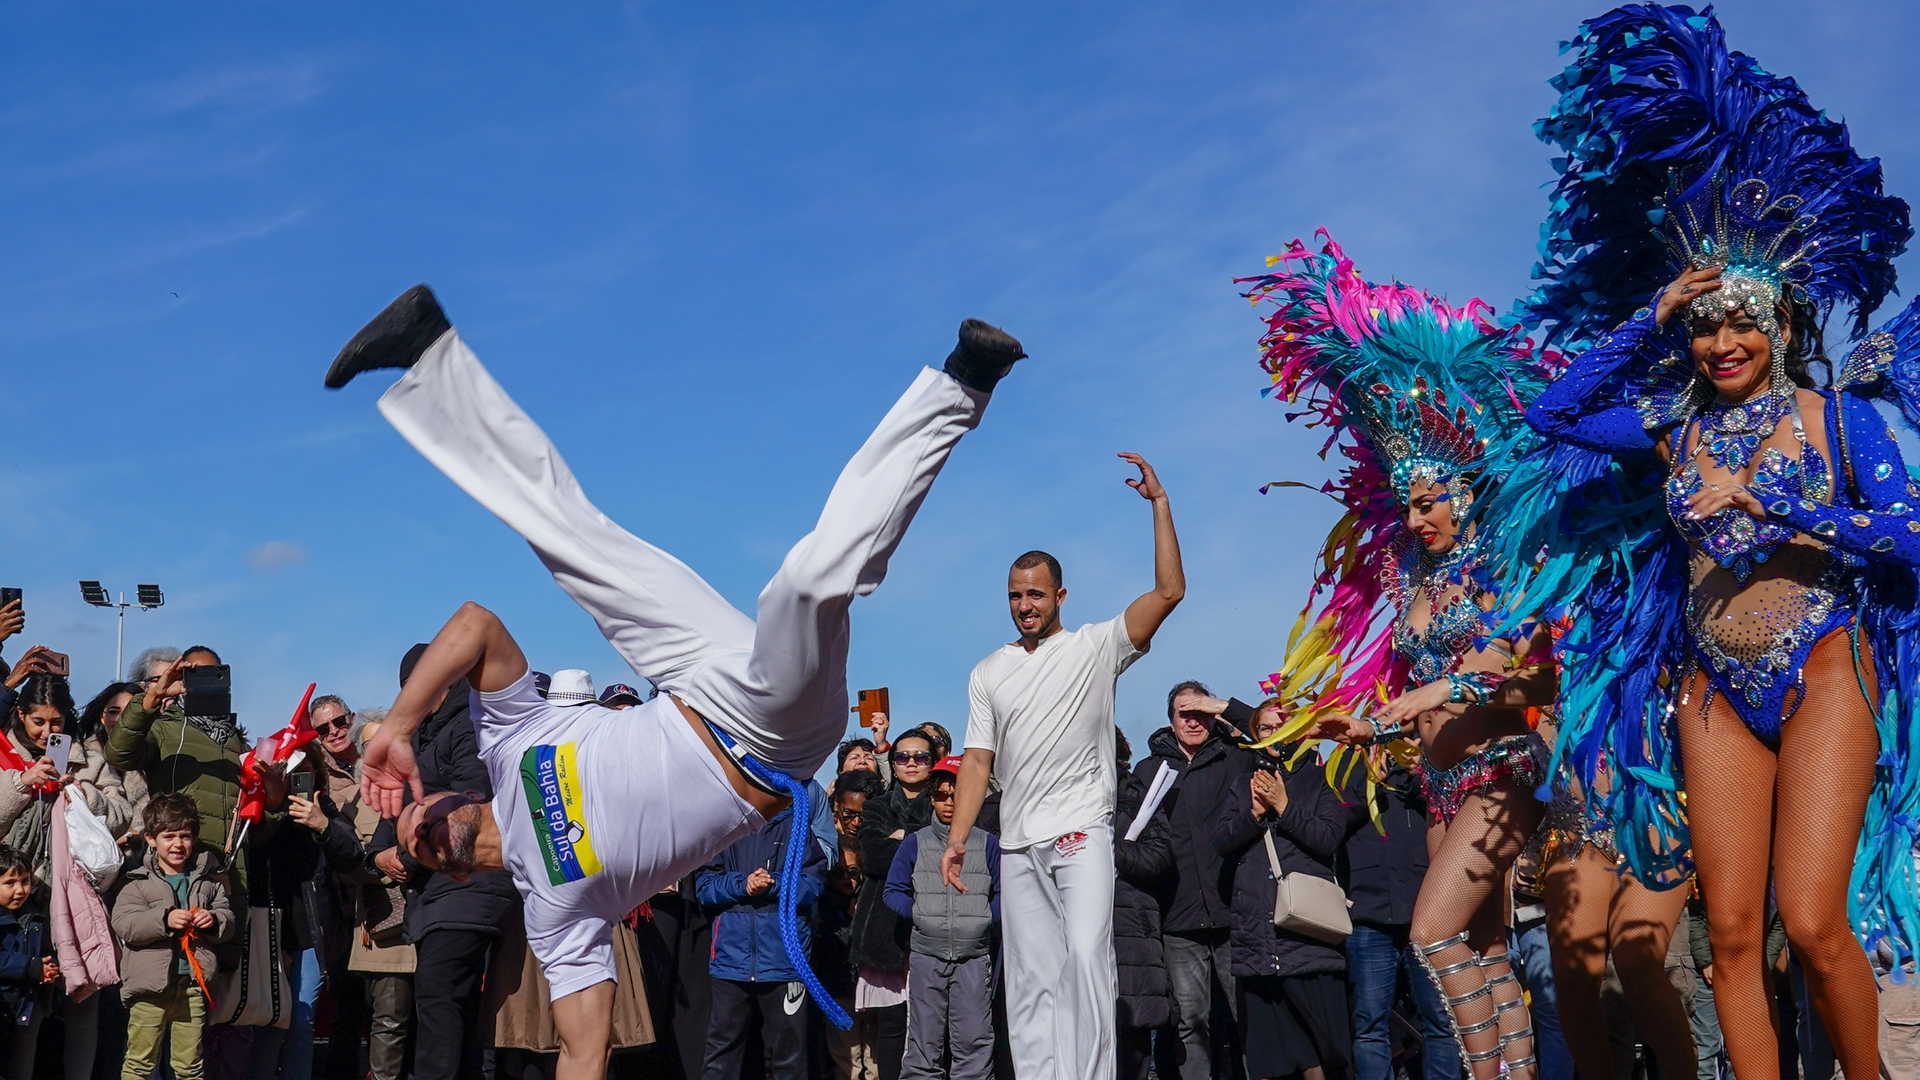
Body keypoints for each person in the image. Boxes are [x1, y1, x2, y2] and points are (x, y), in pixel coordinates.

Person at [330, 284, 1025, 1080]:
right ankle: (962, 385)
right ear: (447, 869)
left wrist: (399, 727)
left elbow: (476, 624)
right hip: (765, 735)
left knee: (568, 535)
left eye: (418, 810)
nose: (419, 827)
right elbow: (583, 1049)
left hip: (691, 674)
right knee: (806, 581)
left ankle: (427, 356)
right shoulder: (556, 914)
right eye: (418, 845)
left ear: (449, 794)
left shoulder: (505, 742)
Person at [1517, 9, 1920, 1079]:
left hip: (1826, 661)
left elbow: (1910, 535)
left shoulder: (1842, 421)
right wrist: (1646, 317)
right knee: (1734, 938)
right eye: (1705, 323)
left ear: (1783, 320)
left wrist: (1791, 512)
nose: (1722, 340)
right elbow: (1553, 412)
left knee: (1813, 920)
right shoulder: (1672, 427)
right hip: (1714, 685)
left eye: (1742, 318)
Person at [1241, 233, 1559, 1080]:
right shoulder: (1412, 577)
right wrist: (1367, 722)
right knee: (1484, 945)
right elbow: (1409, 695)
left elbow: (1534, 669)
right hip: (1443, 780)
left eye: (1430, 504)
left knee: (1431, 935)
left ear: (1461, 493)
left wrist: (1442, 689)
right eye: (1408, 504)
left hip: (1500, 768)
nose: (1416, 519)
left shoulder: (1495, 569)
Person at [943, 453, 1185, 1080]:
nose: (1025, 605)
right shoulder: (988, 671)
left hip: (1081, 831)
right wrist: (958, 839)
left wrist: (1159, 505)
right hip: (1019, 844)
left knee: (1084, 957)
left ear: (1060, 596)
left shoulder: (1095, 647)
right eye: (1015, 596)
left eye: (1036, 594)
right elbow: (976, 760)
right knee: (1029, 982)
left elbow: (1169, 592)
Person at [366, 643, 521, 1080]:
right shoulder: (419, 736)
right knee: (453, 1002)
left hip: (472, 886)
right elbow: (389, 807)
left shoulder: (470, 728)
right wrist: (379, 856)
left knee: (439, 994)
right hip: (436, 893)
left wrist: (405, 857)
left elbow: (465, 813)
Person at [0, 670, 132, 1080]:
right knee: (28, 1010)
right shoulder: (4, 754)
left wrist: (82, 792)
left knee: (82, 1002)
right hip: (19, 899)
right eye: (38, 721)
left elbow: (122, 814)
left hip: (75, 900)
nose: (47, 731)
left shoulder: (88, 757)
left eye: (56, 723)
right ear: (20, 715)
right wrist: (22, 783)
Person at [1215, 697, 1349, 1080]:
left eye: (1282, 726)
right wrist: (1255, 813)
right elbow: (1220, 840)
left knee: (1324, 1052)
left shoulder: (1322, 779)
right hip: (1257, 942)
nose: (1274, 736)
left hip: (1307, 937)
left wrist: (1284, 806)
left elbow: (1327, 837)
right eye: (1265, 729)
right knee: (1275, 1059)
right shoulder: (1242, 785)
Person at [1136, 682, 1248, 1080]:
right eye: (1185, 712)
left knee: (1248, 1020)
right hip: (1178, 919)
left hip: (1234, 912)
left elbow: (1276, 735)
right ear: (1170, 720)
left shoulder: (1235, 757)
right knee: (1190, 1023)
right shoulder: (1149, 771)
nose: (1194, 720)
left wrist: (1224, 706)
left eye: (1202, 711)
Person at [1331, 732, 1458, 1080]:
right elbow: (1332, 826)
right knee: (1370, 1023)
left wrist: (1420, 772)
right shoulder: (1345, 766)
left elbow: (1452, 814)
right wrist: (1368, 780)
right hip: (1367, 913)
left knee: (1443, 1018)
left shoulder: (1431, 762)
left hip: (1427, 909)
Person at [883, 755, 1000, 1080]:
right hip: (926, 956)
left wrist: (984, 919)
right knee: (922, 1049)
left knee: (975, 1046)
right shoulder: (914, 843)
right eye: (941, 794)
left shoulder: (988, 843)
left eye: (957, 794)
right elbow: (892, 891)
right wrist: (920, 914)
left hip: (974, 958)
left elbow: (1006, 894)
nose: (949, 802)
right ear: (931, 797)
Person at [693, 799, 827, 1080]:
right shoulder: (722, 826)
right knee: (720, 1056)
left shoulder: (797, 826)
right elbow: (704, 887)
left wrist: (774, 883)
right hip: (731, 958)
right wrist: (743, 884)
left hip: (786, 960)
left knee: (789, 1058)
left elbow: (813, 883)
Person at [112, 792, 237, 1080]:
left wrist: (214, 919)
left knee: (190, 1066)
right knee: (139, 1063)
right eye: (169, 836)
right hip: (149, 990)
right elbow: (124, 923)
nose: (178, 844)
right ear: (151, 839)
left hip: (192, 985)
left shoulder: (208, 881)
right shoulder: (136, 883)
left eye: (185, 836)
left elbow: (227, 918)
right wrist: (164, 919)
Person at [849, 729, 941, 1080]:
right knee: (891, 1026)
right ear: (893, 763)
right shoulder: (875, 806)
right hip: (885, 929)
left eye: (921, 756)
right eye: (903, 757)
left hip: (935, 922)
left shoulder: (949, 802)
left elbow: (949, 851)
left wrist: (905, 836)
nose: (912, 763)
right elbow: (873, 858)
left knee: (935, 1023)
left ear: (932, 762)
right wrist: (924, 841)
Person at [1111, 728, 1174, 1080]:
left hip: (1131, 929)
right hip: (1070, 927)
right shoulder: (1057, 790)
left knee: (1132, 1039)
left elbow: (1159, 856)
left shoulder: (1135, 792)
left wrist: (1108, 846)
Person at [0, 845, 55, 1069]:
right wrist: (33, 969)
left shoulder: (32, 916)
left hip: (28, 1005)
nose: (20, 890)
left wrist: (49, 969)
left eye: (25, 881)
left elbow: (43, 951)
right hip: (5, 1006)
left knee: (22, 1067)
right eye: (9, 883)